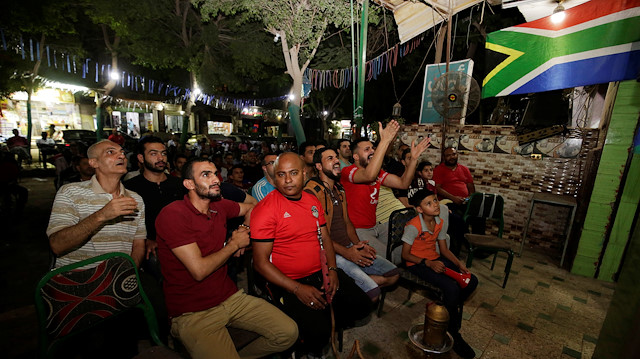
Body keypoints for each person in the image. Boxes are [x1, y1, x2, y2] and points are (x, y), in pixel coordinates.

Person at [156, 158, 297, 359]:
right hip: (192, 312)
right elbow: (199, 271)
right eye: (206, 175)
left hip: (230, 298)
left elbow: (253, 207)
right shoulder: (173, 214)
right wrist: (234, 245)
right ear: (189, 184)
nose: (215, 179)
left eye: (215, 173)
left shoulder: (218, 206)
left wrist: (243, 229)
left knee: (288, 333)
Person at [251, 153, 372, 357]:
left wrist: (333, 270)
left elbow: (325, 239)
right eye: (281, 174)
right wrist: (297, 289)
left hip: (320, 272)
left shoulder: (311, 200)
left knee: (362, 305)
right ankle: (302, 347)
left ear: (305, 174)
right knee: (318, 332)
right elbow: (261, 264)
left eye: (294, 173)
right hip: (287, 282)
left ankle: (323, 325)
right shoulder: (266, 209)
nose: (287, 180)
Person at [304, 148, 399, 301]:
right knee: (374, 294)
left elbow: (347, 222)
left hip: (348, 246)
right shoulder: (312, 192)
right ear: (319, 166)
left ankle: (353, 283)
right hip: (331, 252)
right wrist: (347, 253)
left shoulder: (339, 189)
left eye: (336, 157)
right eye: (330, 158)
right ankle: (351, 286)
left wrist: (358, 244)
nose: (336, 161)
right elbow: (316, 234)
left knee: (394, 274)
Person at [401, 189, 478, 359]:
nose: (435, 205)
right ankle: (452, 331)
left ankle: (446, 310)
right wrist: (427, 262)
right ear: (420, 209)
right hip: (417, 264)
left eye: (435, 200)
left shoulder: (439, 221)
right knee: (451, 288)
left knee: (471, 281)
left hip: (435, 259)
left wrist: (459, 264)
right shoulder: (413, 226)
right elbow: (405, 255)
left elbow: (444, 249)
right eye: (429, 203)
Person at [47, 139, 146, 268]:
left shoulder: (135, 199)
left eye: (122, 152)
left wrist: (130, 272)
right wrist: (102, 215)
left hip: (118, 282)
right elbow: (57, 245)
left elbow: (138, 244)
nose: (122, 156)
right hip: (77, 282)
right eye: (111, 152)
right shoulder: (70, 192)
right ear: (94, 162)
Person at [340, 120, 430, 261]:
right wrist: (385, 141)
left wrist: (413, 160)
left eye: (372, 148)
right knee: (392, 258)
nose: (372, 151)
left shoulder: (378, 173)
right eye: (367, 150)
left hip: (377, 225)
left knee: (413, 246)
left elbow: (403, 183)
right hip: (358, 230)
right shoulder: (348, 171)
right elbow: (368, 175)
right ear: (355, 157)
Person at [124, 136, 185, 264]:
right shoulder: (130, 188)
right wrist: (145, 240)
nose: (160, 158)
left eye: (163, 154)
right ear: (141, 158)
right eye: (153, 154)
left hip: (181, 241)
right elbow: (127, 225)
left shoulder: (180, 185)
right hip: (149, 245)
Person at [433, 147, 484, 234]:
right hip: (448, 202)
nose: (451, 157)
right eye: (448, 155)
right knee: (458, 219)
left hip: (464, 202)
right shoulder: (439, 170)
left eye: (453, 154)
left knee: (479, 216)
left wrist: (468, 199)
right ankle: (464, 242)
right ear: (444, 157)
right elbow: (437, 188)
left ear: (457, 155)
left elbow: (471, 188)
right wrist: (454, 198)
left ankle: (478, 243)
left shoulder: (464, 169)